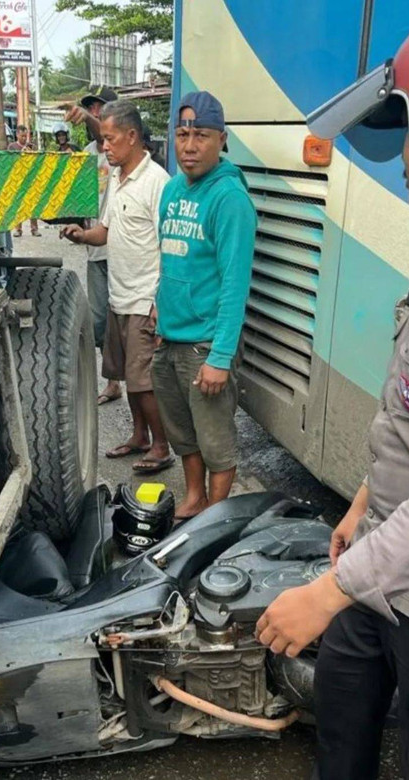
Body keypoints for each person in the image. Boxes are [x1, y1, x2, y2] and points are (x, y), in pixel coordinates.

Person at [254, 4, 409, 778]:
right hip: (384, 570)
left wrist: (327, 593)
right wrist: (360, 502)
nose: (401, 162)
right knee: (341, 726)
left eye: (406, 134)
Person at [152, 92, 256, 520]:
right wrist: (159, 307)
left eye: (201, 136)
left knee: (216, 441)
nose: (189, 146)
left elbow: (235, 284)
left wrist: (220, 356)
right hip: (170, 338)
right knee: (183, 433)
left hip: (205, 345)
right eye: (182, 135)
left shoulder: (230, 199)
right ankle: (195, 497)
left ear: (222, 140)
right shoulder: (172, 189)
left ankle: (216, 517)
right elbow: (170, 258)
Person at [61, 101, 174, 473]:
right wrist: (82, 236)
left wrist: (160, 300)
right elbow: (105, 231)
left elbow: (170, 247)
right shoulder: (117, 177)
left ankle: (161, 446)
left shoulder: (157, 182)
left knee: (143, 382)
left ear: (132, 136)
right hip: (119, 297)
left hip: (144, 299)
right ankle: (139, 436)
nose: (104, 146)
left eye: (110, 139)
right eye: (103, 139)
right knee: (127, 374)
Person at [83, 133, 121, 405]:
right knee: (98, 321)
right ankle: (114, 381)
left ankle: (124, 381)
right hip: (95, 249)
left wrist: (88, 117)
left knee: (126, 320)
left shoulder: (120, 154)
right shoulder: (86, 154)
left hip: (120, 251)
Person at [9, 125, 41, 237]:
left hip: (30, 178)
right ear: (17, 135)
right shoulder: (12, 147)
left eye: (25, 136)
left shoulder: (31, 146)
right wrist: (21, 154)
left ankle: (34, 229)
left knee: (32, 205)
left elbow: (37, 161)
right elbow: (10, 161)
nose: (24, 138)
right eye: (22, 136)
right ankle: (18, 229)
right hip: (18, 179)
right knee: (18, 205)